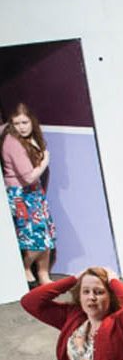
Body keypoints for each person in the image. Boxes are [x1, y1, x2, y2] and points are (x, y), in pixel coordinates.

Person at [3, 103, 54, 287]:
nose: (21, 127)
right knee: (34, 239)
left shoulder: (31, 138)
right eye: (17, 123)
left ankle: (43, 274)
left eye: (25, 122)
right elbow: (28, 177)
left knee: (45, 235)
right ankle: (24, 269)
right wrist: (45, 161)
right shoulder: (13, 142)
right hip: (22, 194)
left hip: (34, 193)